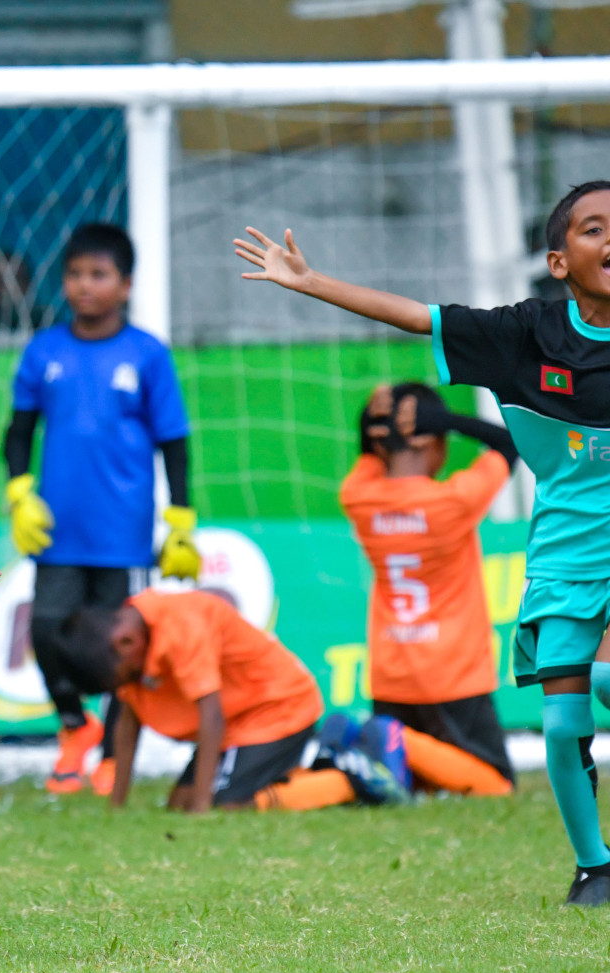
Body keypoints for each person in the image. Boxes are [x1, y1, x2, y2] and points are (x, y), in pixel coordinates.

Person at [234, 179, 610, 905]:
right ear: (558, 261)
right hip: (565, 556)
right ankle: (594, 866)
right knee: (562, 724)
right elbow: (415, 316)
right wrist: (311, 284)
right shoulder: (523, 334)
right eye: (594, 228)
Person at [2, 223, 197, 797]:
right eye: (75, 274)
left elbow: (176, 442)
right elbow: (17, 434)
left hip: (124, 533)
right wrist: (19, 492)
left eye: (99, 274)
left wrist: (181, 519)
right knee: (44, 629)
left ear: (126, 284)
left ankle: (114, 755)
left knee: (122, 649)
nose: (85, 286)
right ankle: (74, 727)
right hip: (57, 530)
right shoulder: (44, 351)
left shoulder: (147, 354)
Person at [335, 382, 519, 798]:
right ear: (433, 442)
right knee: (497, 783)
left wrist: (371, 423)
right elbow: (509, 444)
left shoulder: (359, 497)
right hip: (453, 677)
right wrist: (448, 420)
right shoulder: (452, 501)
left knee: (412, 782)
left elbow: (368, 455)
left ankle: (378, 742)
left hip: (391, 677)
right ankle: (393, 739)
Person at [81, 588, 404, 814]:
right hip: (238, 719)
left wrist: (203, 807)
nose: (128, 685)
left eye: (122, 679)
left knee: (230, 805)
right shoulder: (131, 639)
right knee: (180, 801)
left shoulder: (182, 626)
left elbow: (211, 715)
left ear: (125, 642)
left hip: (279, 708)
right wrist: (117, 804)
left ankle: (347, 780)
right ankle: (327, 762)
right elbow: (129, 717)